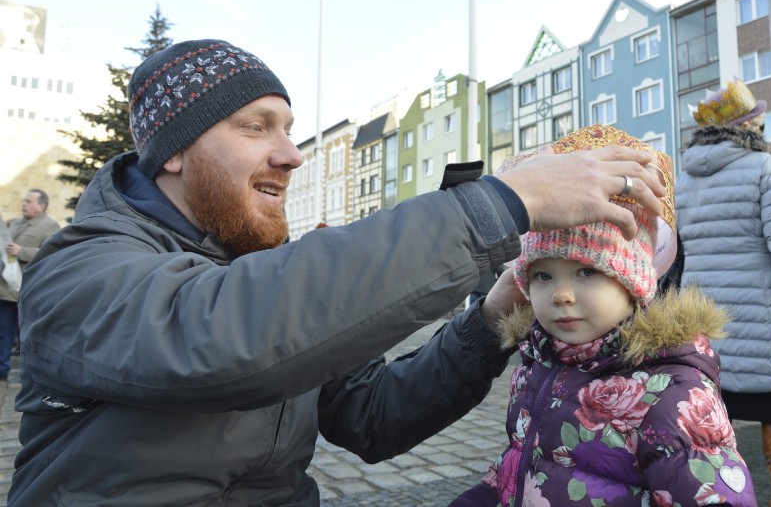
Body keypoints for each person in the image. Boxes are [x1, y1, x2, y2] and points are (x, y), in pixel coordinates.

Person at [8, 39, 666, 506]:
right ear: (174, 152)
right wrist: (505, 202)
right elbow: (219, 335)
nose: (291, 154)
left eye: (290, 129)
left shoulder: (264, 267)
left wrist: (493, 317)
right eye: (257, 127)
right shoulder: (79, 268)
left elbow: (374, 414)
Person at [451, 125, 755, 506]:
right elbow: (516, 467)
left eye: (587, 272)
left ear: (634, 283)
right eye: (543, 276)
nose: (561, 294)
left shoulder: (673, 396)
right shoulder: (537, 364)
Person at [676, 80, 771, 506]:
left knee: (712, 408)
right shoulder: (763, 167)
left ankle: (721, 495)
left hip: (706, 310)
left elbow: (677, 248)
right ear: (748, 126)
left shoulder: (684, 177)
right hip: (761, 310)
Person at [0, 188, 60, 380]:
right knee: (3, 333)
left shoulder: (51, 226)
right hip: (6, 288)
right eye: (24, 200)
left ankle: (31, 374)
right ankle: (2, 371)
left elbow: (51, 253)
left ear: (41, 206)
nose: (23, 203)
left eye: (28, 201)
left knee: (28, 335)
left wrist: (21, 250)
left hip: (28, 290)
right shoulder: (15, 223)